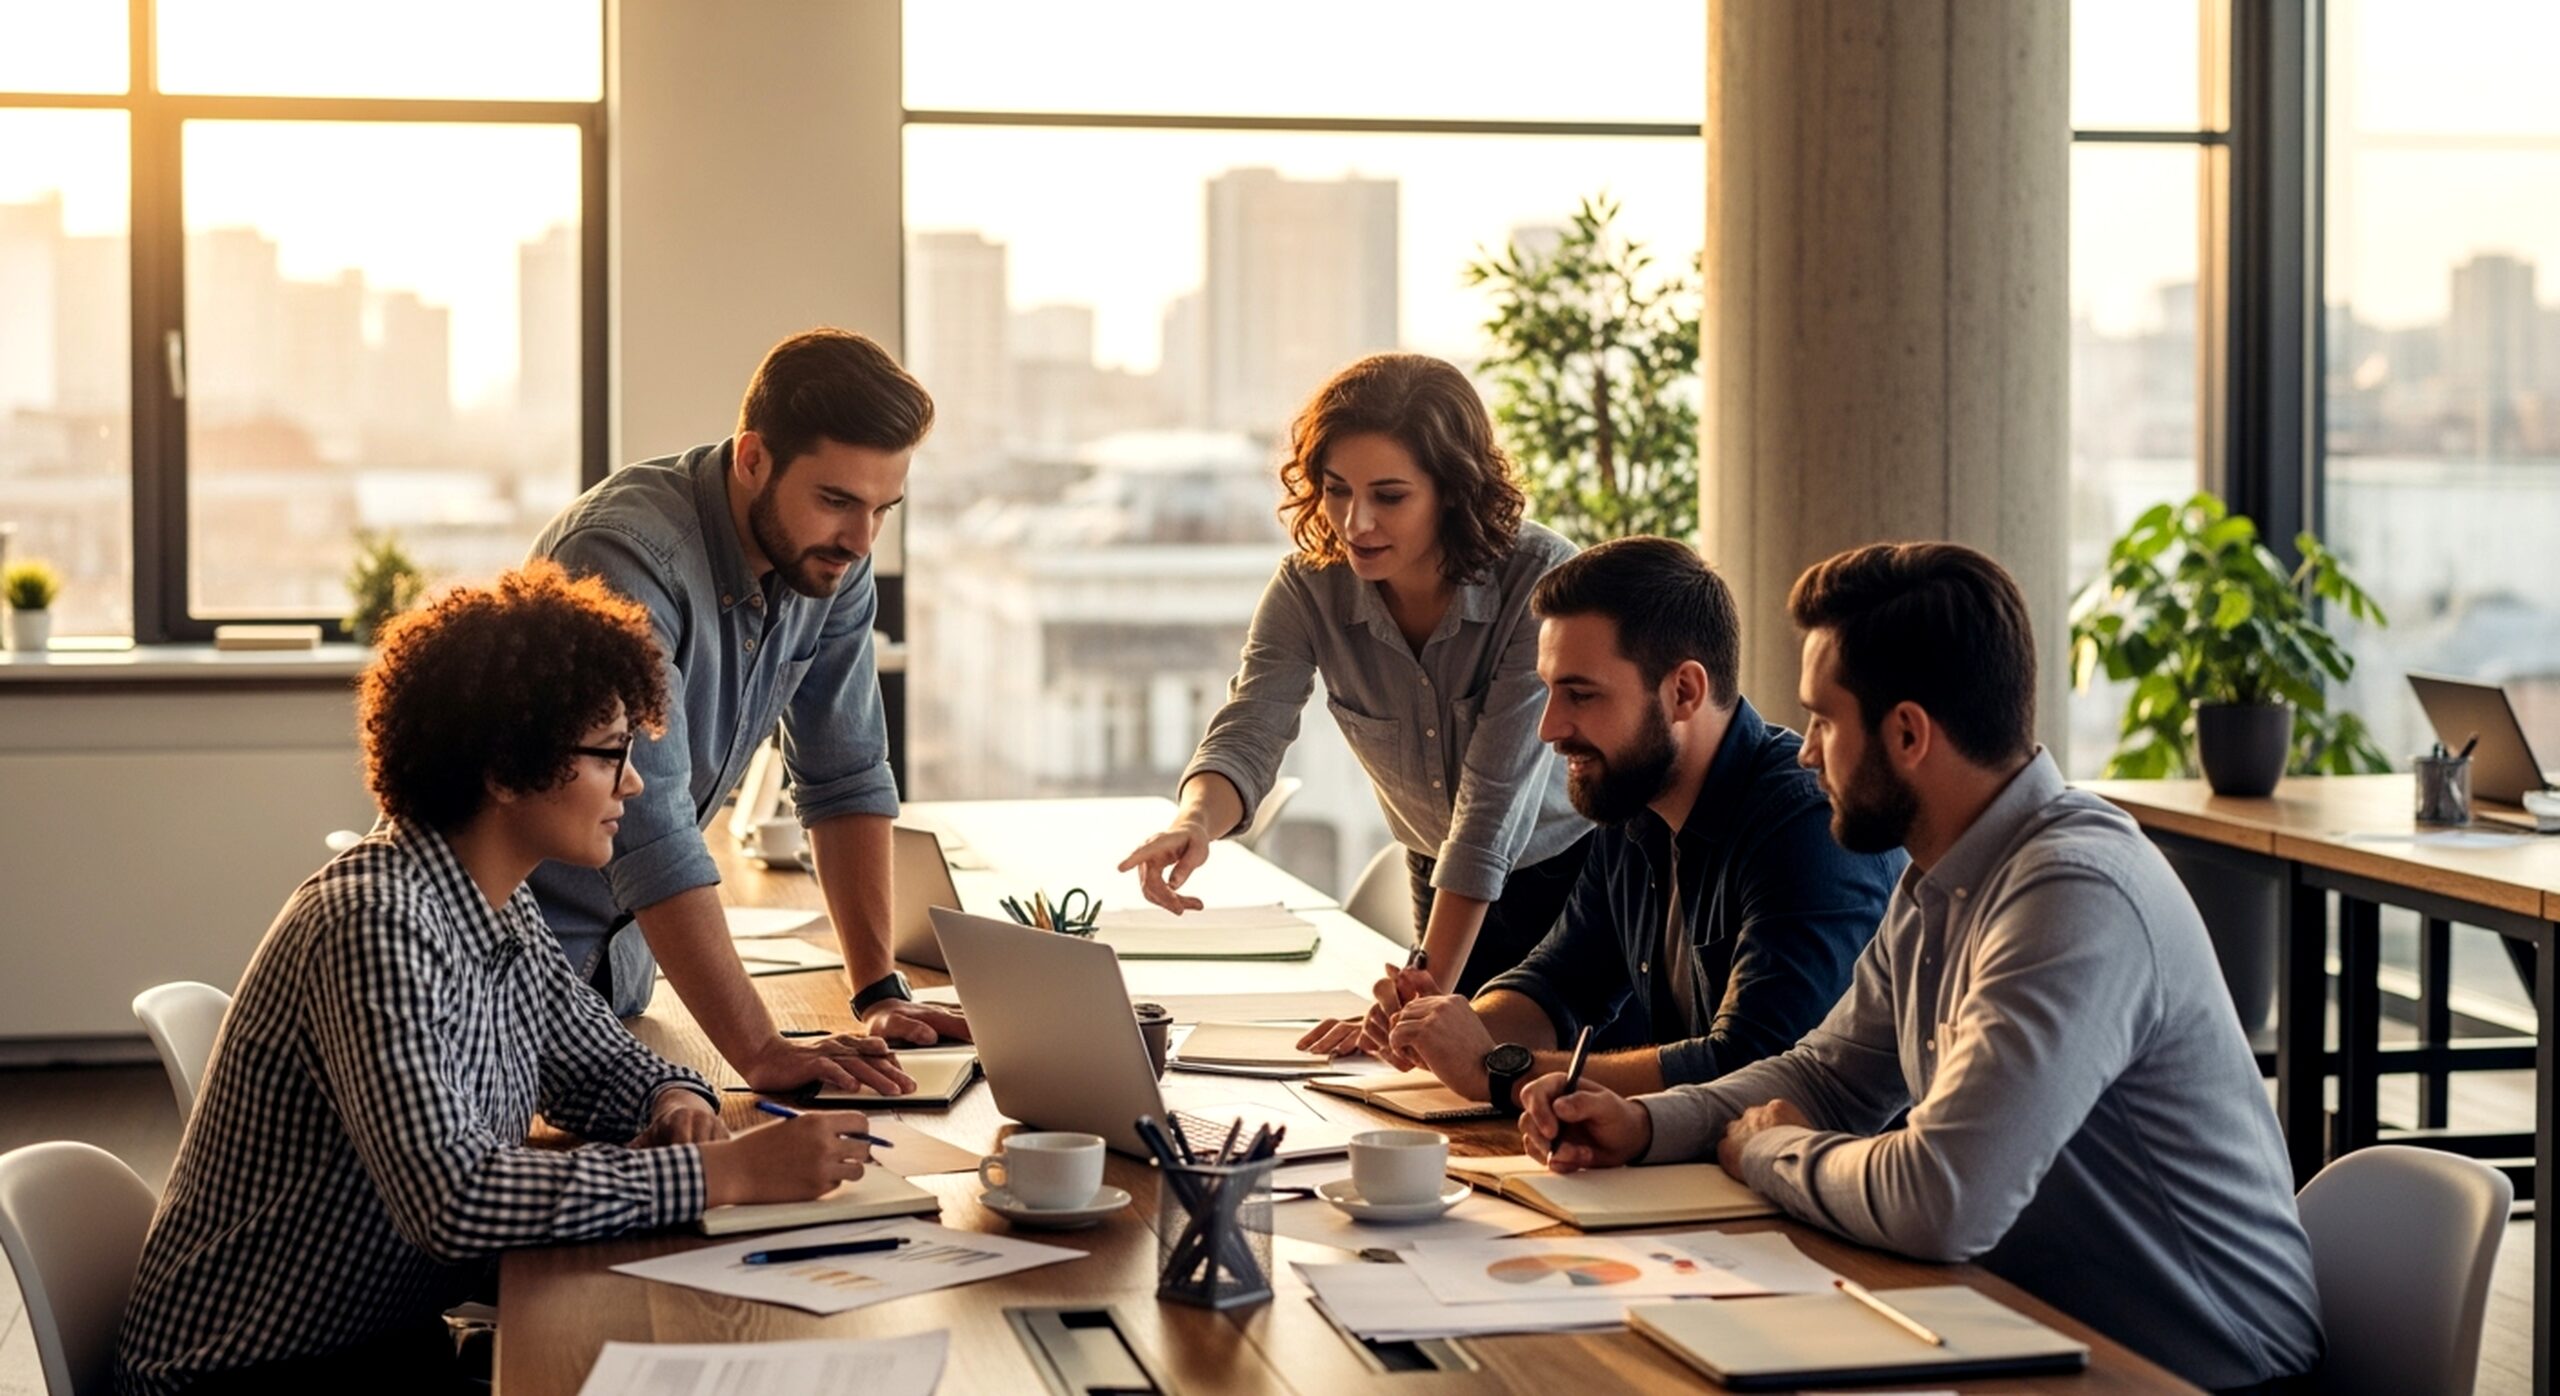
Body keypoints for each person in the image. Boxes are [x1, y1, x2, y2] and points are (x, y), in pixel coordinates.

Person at [1517, 542, 2323, 1394]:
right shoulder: (1943, 876)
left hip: (2201, 1373)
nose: (1804, 754)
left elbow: (1944, 1199)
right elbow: (1826, 1075)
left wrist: (1773, 1152)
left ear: (1908, 735)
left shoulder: (2072, 896)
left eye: (1824, 722)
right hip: (2014, 1326)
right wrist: (1644, 1124)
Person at [115, 565, 873, 1395]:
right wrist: (725, 1173)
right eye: (610, 754)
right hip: (250, 1373)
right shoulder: (375, 922)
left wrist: (675, 1104)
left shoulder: (494, 903)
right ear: (506, 773)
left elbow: (597, 1061)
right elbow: (455, 1198)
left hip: (380, 1344)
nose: (634, 783)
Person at [1304, 537, 1900, 1111]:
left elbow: (1754, 1068)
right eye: (1549, 692)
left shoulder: (1804, 826)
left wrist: (1499, 1072)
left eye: (1581, 695)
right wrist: (1442, 1032)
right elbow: (1558, 982)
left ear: (1683, 691)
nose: (1550, 728)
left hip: (1824, 1200)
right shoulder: (1631, 801)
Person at [531, 328, 963, 1098]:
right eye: (836, 500)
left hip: (618, 985)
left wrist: (879, 994)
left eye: (882, 509)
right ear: (753, 458)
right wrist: (762, 1051)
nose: (861, 540)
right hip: (510, 974)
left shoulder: (829, 558)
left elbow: (846, 773)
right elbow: (651, 827)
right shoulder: (622, 557)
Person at [1121, 353, 1594, 997]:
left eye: (1389, 496)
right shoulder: (1309, 586)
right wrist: (1195, 822)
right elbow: (1249, 729)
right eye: (1337, 489)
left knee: (1518, 1079)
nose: (1354, 522)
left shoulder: (1537, 580)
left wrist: (1423, 992)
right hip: (1438, 877)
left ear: (1454, 489)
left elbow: (1490, 810)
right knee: (1429, 1079)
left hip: (1575, 888)